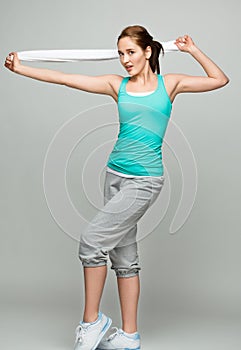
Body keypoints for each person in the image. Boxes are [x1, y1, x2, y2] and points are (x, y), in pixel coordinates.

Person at [4, 25, 229, 350]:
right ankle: (129, 335)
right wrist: (21, 68)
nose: (124, 60)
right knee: (125, 259)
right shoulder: (117, 85)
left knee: (91, 243)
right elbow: (65, 78)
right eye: (121, 53)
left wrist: (192, 50)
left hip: (144, 181)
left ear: (148, 51)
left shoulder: (171, 84)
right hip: (113, 175)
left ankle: (92, 321)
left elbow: (219, 79)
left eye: (131, 52)